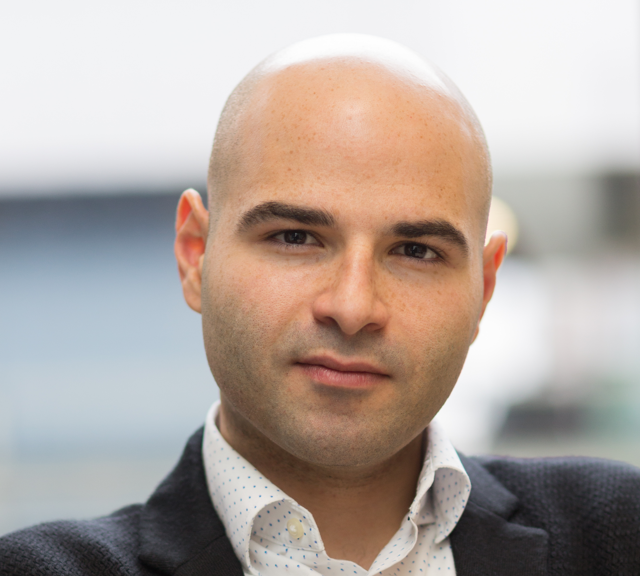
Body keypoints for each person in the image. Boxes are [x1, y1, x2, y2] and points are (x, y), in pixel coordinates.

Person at [1, 33, 638, 576]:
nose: (353, 307)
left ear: (484, 290)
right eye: (295, 238)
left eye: (415, 251)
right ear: (195, 255)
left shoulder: (619, 535)